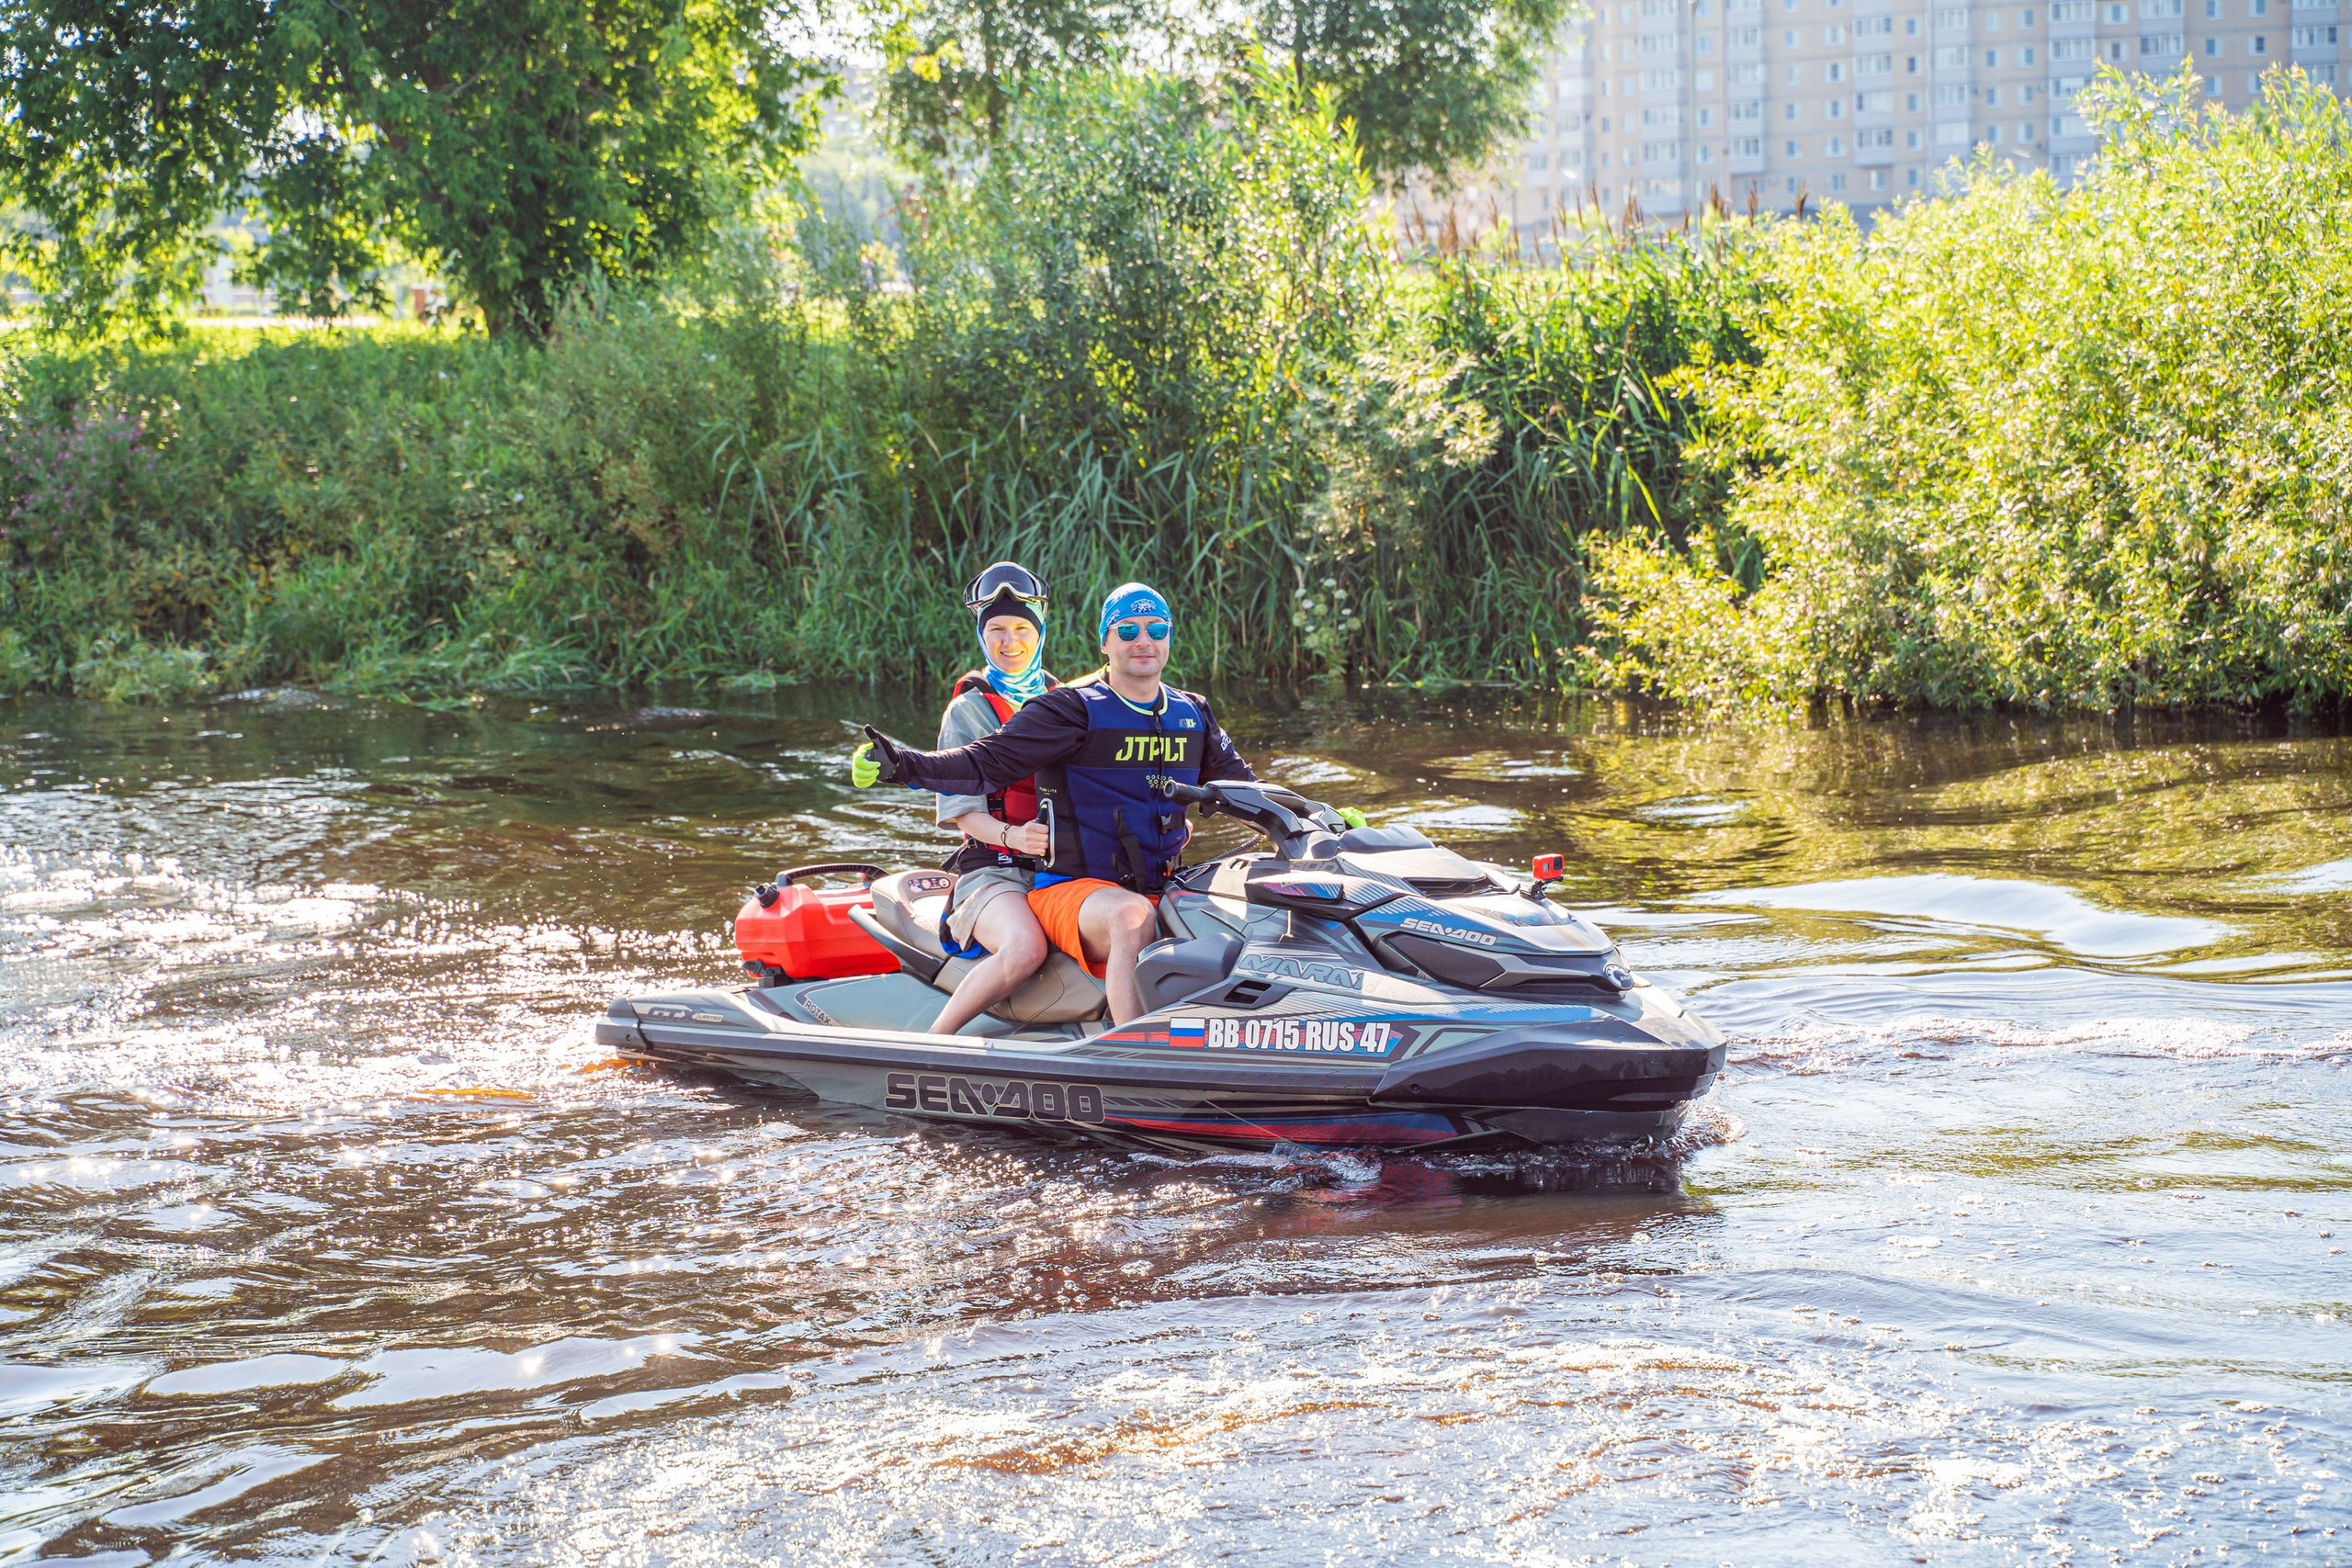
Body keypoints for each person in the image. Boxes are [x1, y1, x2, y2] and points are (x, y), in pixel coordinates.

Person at [851, 582, 1255, 1024]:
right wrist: (903, 765)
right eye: (1128, 631)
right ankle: (1133, 1057)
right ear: (1104, 641)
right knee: (1128, 916)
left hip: (1158, 879)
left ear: (1170, 638)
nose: (1144, 640)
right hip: (1064, 884)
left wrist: (1320, 820)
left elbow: (1247, 789)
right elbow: (986, 762)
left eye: (1157, 629)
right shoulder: (1068, 708)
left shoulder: (1193, 713)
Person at [926, 562, 1059, 1036]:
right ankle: (934, 1044)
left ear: (1039, 632)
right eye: (997, 630)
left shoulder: (1065, 702)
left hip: (1063, 869)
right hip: (992, 870)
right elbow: (963, 815)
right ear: (983, 636)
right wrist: (1015, 836)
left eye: (1022, 628)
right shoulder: (968, 711)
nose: (1010, 642)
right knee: (1026, 948)